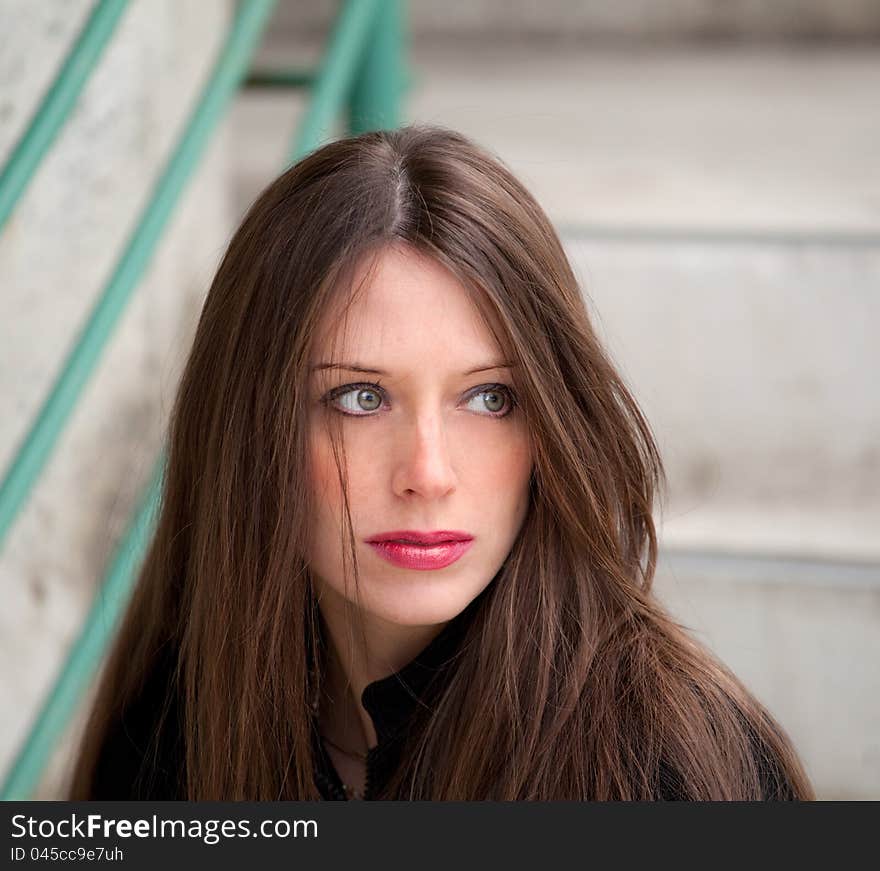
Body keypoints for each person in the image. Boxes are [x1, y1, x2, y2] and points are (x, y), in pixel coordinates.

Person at [66, 124, 813, 801]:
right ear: (252, 431)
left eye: (489, 399)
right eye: (360, 398)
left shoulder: (677, 767)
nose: (429, 473)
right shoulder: (169, 728)